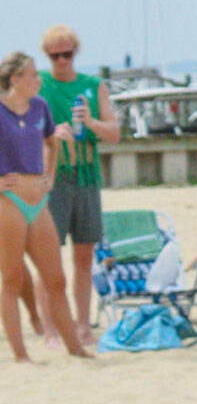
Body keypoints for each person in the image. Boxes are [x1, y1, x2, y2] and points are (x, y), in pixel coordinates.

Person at [1, 51, 92, 361]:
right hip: (7, 202)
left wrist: (50, 175)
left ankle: (76, 349)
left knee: (56, 280)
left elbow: (52, 142)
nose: (39, 80)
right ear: (15, 79)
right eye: (32, 75)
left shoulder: (40, 106)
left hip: (38, 201)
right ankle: (21, 355)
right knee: (12, 279)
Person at [37, 24, 119, 338]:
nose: (61, 61)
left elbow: (114, 134)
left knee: (84, 256)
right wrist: (50, 135)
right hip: (52, 177)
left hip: (86, 175)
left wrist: (90, 122)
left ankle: (83, 326)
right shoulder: (39, 84)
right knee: (48, 258)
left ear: (75, 52)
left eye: (66, 55)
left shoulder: (93, 86)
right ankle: (51, 329)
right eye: (55, 56)